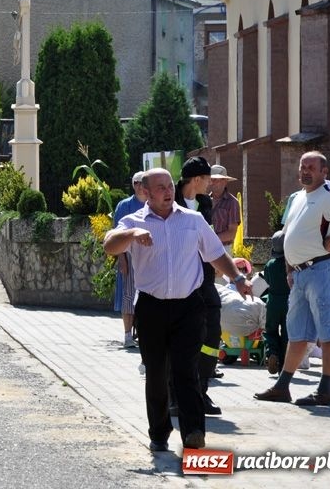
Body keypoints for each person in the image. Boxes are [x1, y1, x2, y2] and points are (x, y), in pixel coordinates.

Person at [103, 168, 251, 453]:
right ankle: (159, 433)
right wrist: (132, 234)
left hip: (188, 307)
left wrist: (238, 278)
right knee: (157, 373)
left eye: (170, 185)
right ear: (146, 192)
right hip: (151, 308)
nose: (168, 191)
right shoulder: (134, 221)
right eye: (160, 187)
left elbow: (216, 254)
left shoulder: (192, 220)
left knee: (187, 369)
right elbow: (110, 244)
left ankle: (193, 432)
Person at [254, 151, 330, 407]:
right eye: (302, 167)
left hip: (322, 270)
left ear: (324, 172)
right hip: (300, 273)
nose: (305, 171)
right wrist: (289, 268)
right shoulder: (298, 198)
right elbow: (289, 235)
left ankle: (325, 389)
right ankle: (282, 386)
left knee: (328, 332)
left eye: (311, 167)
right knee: (297, 334)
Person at [174, 156, 224, 416]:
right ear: (195, 179)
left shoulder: (205, 203)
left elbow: (208, 239)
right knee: (178, 338)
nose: (210, 184)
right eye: (207, 179)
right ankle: (175, 396)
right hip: (178, 280)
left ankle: (201, 390)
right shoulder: (170, 201)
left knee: (211, 331)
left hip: (204, 278)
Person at [113, 171, 148, 348]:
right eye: (136, 182)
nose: (140, 186)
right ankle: (128, 335)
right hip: (130, 255)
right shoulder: (124, 206)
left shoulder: (153, 204)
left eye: (143, 182)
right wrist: (122, 259)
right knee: (128, 295)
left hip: (150, 256)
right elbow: (116, 235)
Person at [261, 230, 290, 374]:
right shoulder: (291, 264)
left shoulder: (270, 264)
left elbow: (267, 281)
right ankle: (283, 365)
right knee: (286, 333)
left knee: (270, 330)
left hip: (273, 301)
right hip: (289, 302)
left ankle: (272, 352)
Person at [209, 165, 241, 255]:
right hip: (204, 248)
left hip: (223, 248)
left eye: (216, 180)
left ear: (225, 181)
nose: (213, 182)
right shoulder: (203, 200)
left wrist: (210, 239)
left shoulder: (232, 202)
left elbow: (231, 233)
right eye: (211, 179)